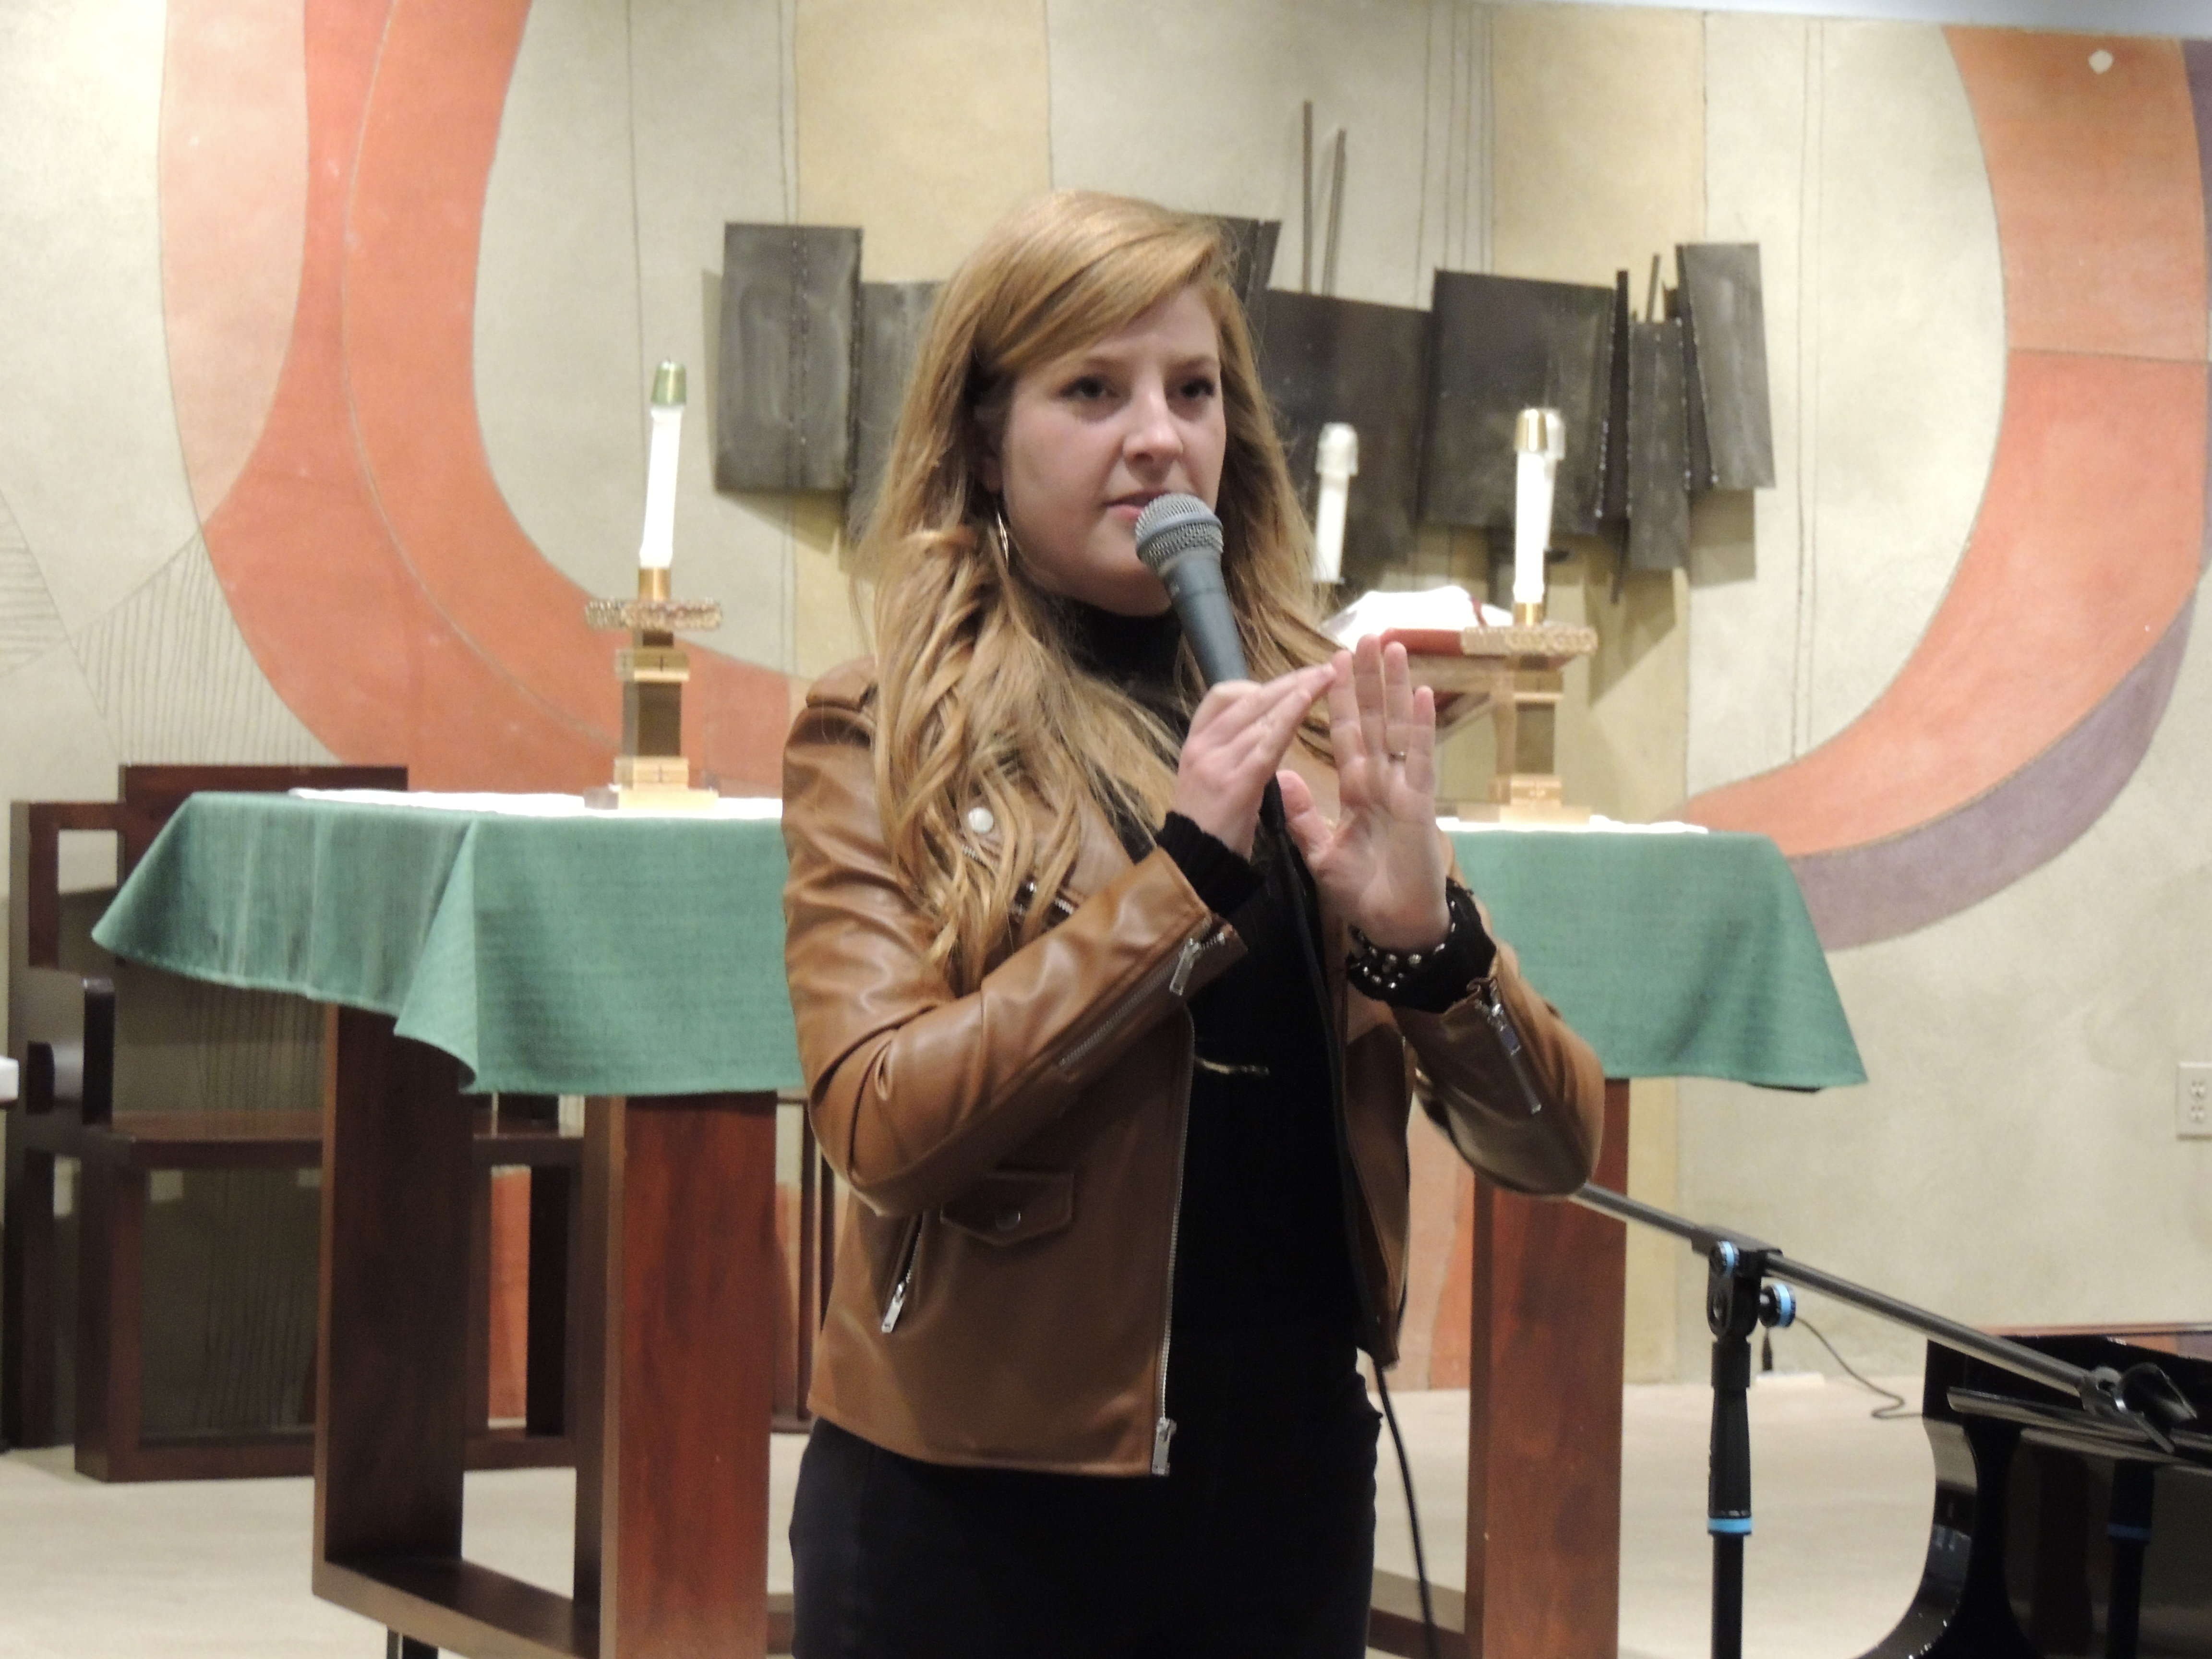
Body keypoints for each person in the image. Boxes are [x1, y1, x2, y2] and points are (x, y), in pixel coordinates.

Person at [780, 191, 1604, 1659]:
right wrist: (1180, 885)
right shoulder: (882, 729)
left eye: (1195, 390)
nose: (1159, 437)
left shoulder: (1314, 720)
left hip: (1283, 1480)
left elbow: (1555, 1147)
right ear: (986, 437)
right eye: (1093, 390)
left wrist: (1428, 938)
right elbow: (881, 1127)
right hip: (979, 1492)